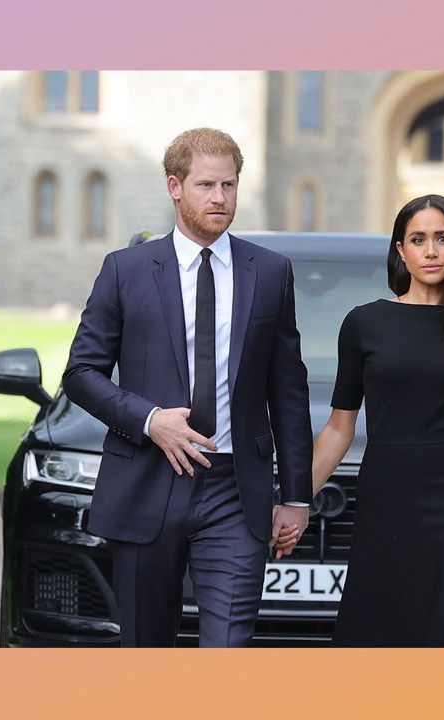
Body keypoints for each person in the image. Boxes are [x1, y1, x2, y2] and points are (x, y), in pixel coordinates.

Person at [62, 127, 313, 647]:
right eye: (205, 185)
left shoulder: (269, 273)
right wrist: (150, 420)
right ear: (174, 186)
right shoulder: (125, 271)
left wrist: (296, 496)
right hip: (147, 482)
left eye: (229, 185)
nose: (220, 198)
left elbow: (287, 392)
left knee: (227, 647)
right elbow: (81, 373)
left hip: (233, 491)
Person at [295, 194, 444, 646]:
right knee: (372, 633)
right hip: (385, 500)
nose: (430, 251)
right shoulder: (364, 324)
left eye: (442, 238)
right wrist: (294, 503)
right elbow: (338, 428)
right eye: (418, 239)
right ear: (400, 250)